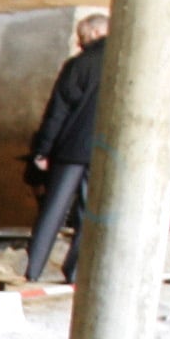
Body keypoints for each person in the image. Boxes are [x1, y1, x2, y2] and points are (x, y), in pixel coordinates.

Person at [24, 14, 108, 282]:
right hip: (104, 152)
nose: (79, 41)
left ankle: (32, 270)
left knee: (52, 212)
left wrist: (43, 150)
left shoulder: (78, 65)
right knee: (89, 215)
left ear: (94, 33)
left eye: (81, 35)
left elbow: (57, 111)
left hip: (71, 150)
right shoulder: (123, 62)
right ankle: (75, 273)